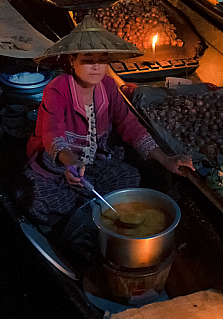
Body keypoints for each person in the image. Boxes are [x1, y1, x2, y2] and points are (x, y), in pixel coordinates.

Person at [19, 18, 192, 231]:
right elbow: (52, 134)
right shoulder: (58, 89)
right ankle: (79, 215)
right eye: (88, 59)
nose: (96, 67)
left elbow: (130, 125)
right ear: (72, 60)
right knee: (33, 200)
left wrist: (165, 159)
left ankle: (86, 208)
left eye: (102, 60)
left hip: (95, 162)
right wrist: (71, 162)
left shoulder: (108, 86)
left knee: (129, 177)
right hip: (57, 164)